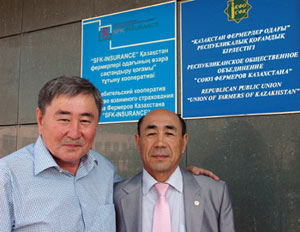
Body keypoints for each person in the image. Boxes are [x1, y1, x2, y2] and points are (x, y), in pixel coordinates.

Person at [0, 76, 218, 231]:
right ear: (40, 119)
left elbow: (139, 193)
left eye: (86, 120)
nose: (74, 132)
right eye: (64, 119)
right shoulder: (7, 177)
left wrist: (176, 177)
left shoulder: (104, 169)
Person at [114, 109, 235, 232]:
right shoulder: (116, 196)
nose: (160, 143)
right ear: (138, 142)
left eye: (169, 134)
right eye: (151, 134)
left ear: (183, 142)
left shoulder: (215, 193)